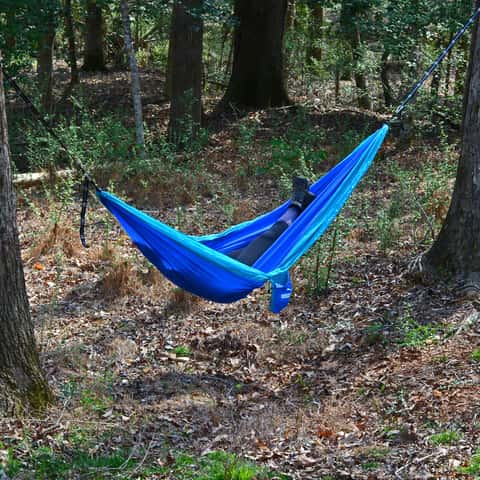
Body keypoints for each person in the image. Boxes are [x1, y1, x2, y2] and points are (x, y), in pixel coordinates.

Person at [228, 176, 315, 266]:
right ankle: (297, 207)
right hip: (235, 273)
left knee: (252, 247)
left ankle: (298, 208)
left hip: (221, 264)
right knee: (268, 240)